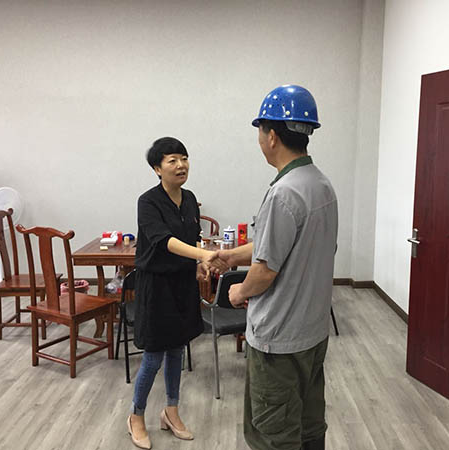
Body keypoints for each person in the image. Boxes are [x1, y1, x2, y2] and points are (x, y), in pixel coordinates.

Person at [217, 85, 338, 450]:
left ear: (271, 136)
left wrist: (237, 291)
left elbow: (265, 272)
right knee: (309, 426)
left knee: (273, 435)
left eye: (260, 131)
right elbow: (285, 245)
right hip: (312, 333)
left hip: (278, 341)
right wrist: (232, 256)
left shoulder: (283, 192)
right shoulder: (321, 185)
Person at [127, 137, 228, 449]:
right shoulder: (148, 202)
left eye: (184, 158)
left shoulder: (190, 198)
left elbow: (192, 237)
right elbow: (165, 241)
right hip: (156, 287)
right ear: (157, 168)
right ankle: (136, 416)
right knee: (153, 356)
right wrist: (203, 255)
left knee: (177, 352)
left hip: (183, 284)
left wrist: (199, 264)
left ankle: (171, 411)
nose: (181, 165)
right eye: (172, 160)